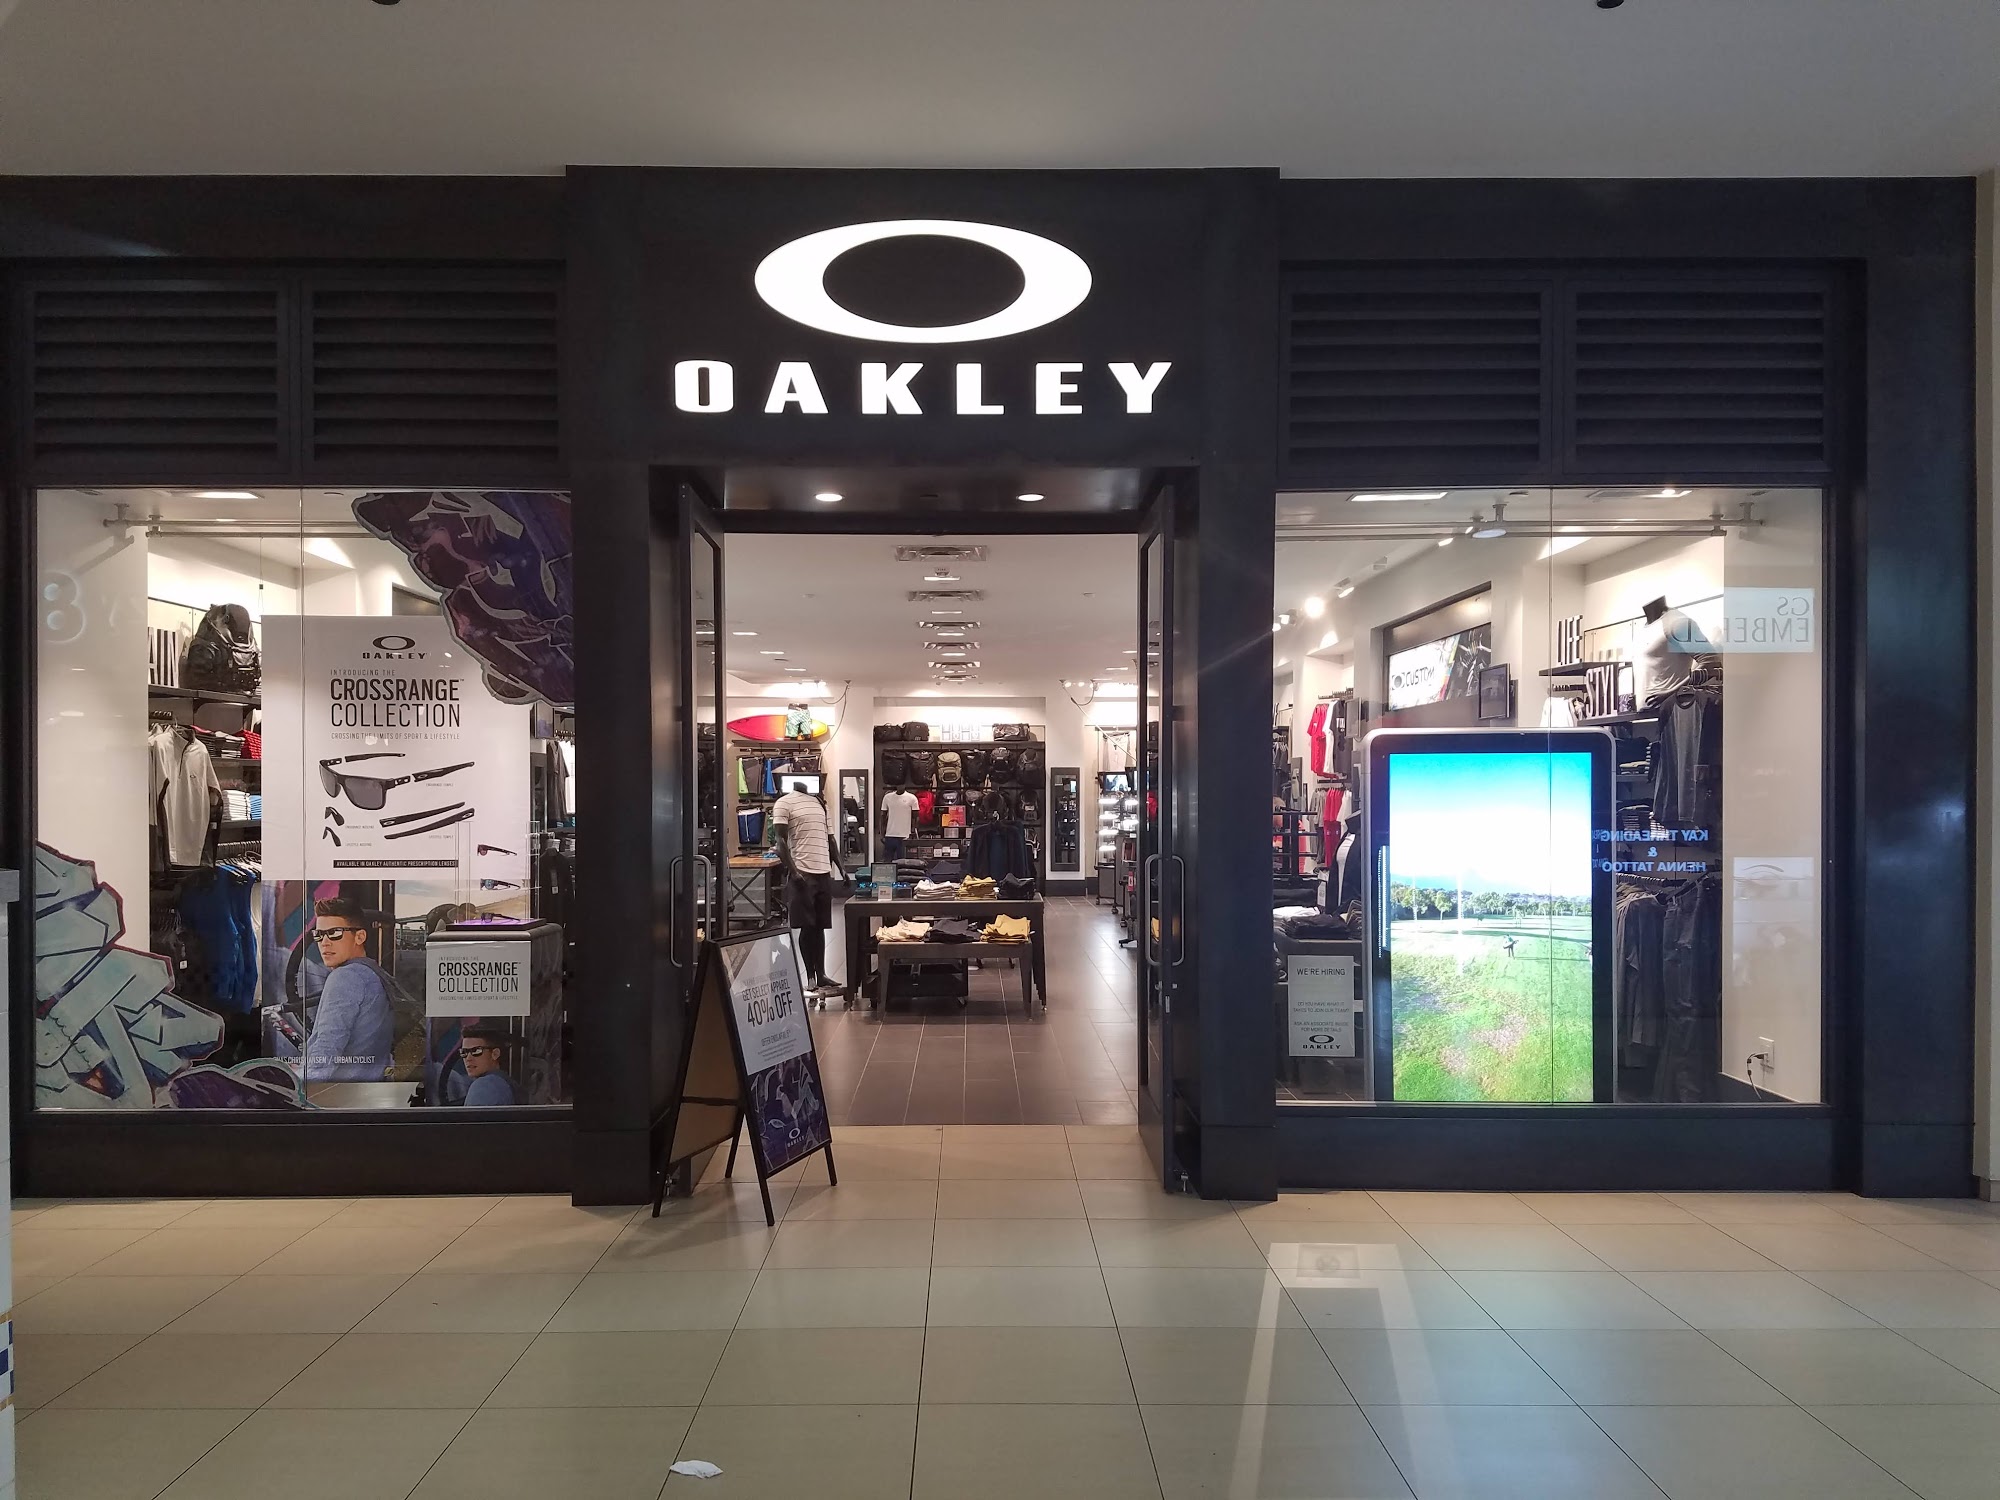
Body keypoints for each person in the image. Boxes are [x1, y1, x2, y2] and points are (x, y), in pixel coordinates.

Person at [303, 897, 396, 1082]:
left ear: (360, 937)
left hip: (340, 1091)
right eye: (319, 934)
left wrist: (303, 1090)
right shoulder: (374, 973)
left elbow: (327, 1046)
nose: (325, 942)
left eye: (335, 933)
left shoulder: (346, 977)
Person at [772, 782, 843, 997]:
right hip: (802, 872)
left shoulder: (820, 803)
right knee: (806, 925)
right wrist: (794, 872)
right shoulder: (784, 803)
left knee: (819, 926)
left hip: (823, 872)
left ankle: (821, 974)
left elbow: (830, 840)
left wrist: (841, 869)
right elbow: (780, 841)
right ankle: (810, 976)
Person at [458, 1023, 518, 1106]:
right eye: (464, 1052)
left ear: (495, 1054)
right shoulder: (506, 1083)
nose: (468, 1058)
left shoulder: (486, 1085)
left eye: (476, 1051)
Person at [880, 786, 919, 860]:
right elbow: (883, 816)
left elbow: (916, 817)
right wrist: (882, 834)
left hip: (905, 836)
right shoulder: (887, 797)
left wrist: (913, 831)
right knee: (888, 861)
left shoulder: (911, 798)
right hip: (890, 835)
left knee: (903, 861)